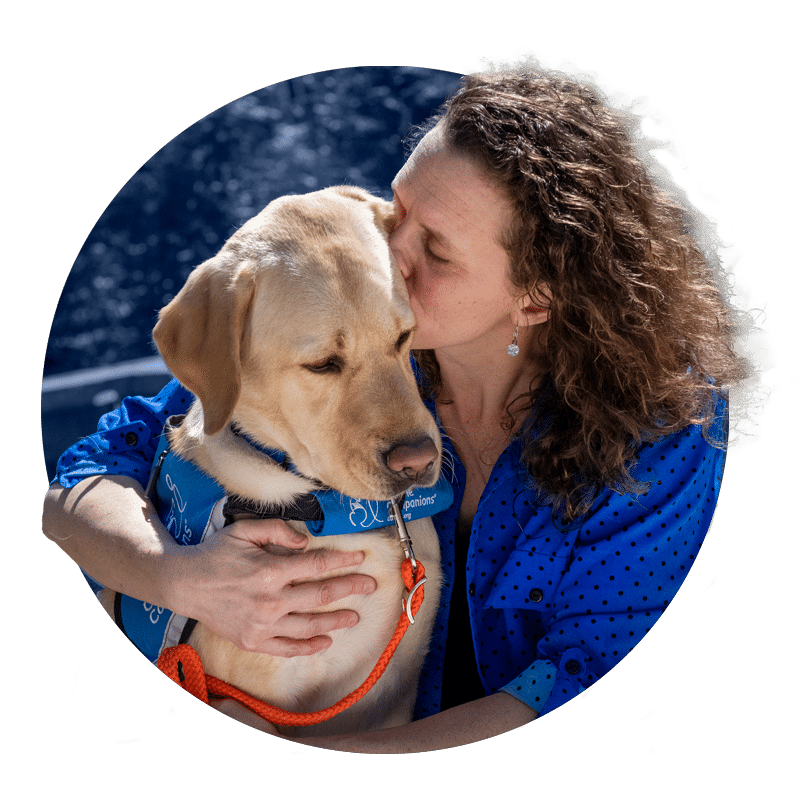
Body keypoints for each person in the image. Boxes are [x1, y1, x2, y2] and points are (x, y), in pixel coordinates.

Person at [41, 69, 749, 753]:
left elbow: (589, 688)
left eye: (435, 249)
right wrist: (179, 577)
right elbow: (82, 478)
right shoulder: (339, 326)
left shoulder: (660, 428)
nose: (388, 252)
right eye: (398, 209)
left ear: (534, 298)